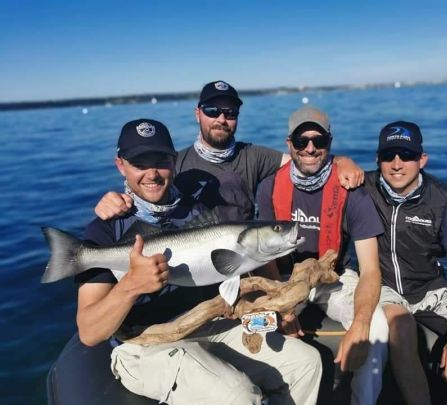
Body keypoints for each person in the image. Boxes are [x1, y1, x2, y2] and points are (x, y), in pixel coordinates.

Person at [76, 118, 323, 404]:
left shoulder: (197, 212)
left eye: (161, 161)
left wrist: (272, 306)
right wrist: (130, 286)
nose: (152, 174)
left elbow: (231, 276)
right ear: (121, 165)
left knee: (306, 363)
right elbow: (90, 332)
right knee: (239, 396)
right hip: (143, 345)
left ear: (174, 160)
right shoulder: (106, 229)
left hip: (208, 325)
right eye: (140, 164)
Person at [255, 106, 389, 405]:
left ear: (330, 142)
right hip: (286, 279)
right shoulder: (269, 188)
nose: (311, 148)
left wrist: (362, 322)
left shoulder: (353, 190)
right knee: (257, 325)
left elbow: (370, 269)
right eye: (302, 141)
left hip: (336, 278)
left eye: (319, 141)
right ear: (289, 143)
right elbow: (266, 258)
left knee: (378, 325)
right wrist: (283, 305)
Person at [363, 121, 447, 404]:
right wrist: (341, 162)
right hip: (384, 286)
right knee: (400, 326)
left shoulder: (442, 201)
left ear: (422, 159)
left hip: (429, 287)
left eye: (407, 155)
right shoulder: (362, 189)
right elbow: (326, 168)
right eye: (389, 155)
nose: (397, 164)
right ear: (378, 159)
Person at [95, 80, 363, 221]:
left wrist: (342, 161)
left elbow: (305, 159)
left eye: (230, 112)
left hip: (244, 258)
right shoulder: (175, 163)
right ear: (197, 114)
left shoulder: (254, 156)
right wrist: (117, 200)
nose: (222, 119)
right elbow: (146, 189)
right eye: (213, 111)